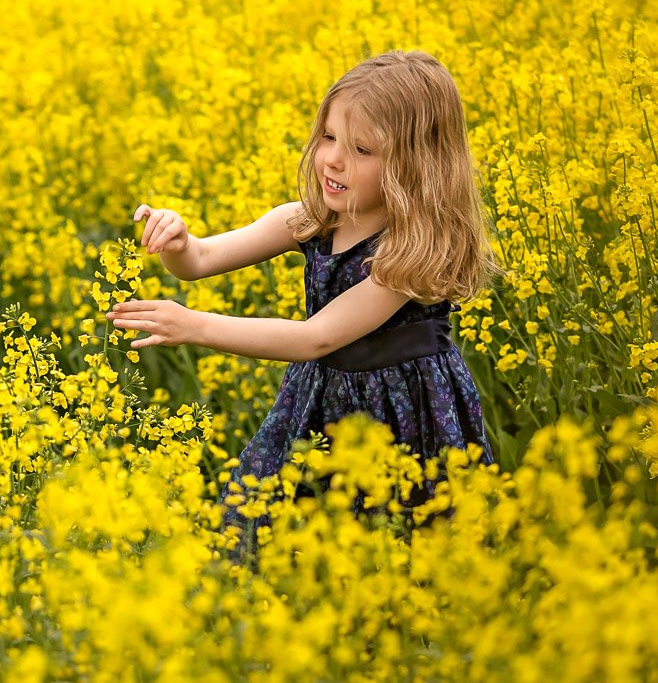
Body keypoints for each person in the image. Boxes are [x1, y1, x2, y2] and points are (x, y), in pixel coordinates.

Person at [106, 49, 501, 568]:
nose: (333, 159)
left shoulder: (407, 252)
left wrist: (192, 324)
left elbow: (314, 338)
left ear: (413, 165)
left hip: (404, 415)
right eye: (329, 137)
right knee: (273, 538)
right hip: (319, 402)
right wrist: (177, 239)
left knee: (399, 554)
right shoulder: (308, 220)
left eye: (361, 149)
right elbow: (200, 261)